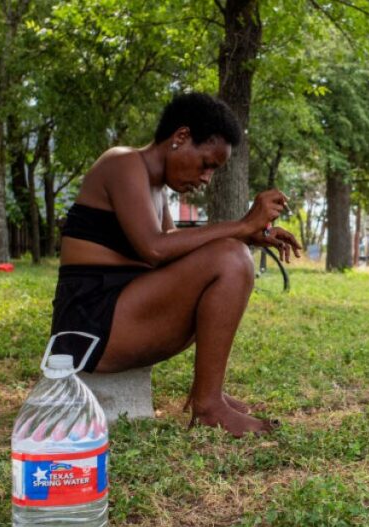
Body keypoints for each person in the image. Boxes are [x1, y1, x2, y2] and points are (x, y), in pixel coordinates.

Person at [51, 92, 300, 437]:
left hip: (117, 315)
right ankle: (208, 405)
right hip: (88, 325)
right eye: (207, 164)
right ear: (180, 137)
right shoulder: (122, 163)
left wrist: (248, 235)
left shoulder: (155, 186)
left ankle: (207, 395)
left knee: (232, 254)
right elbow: (155, 249)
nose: (206, 179)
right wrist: (241, 227)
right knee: (231, 257)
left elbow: (173, 248)